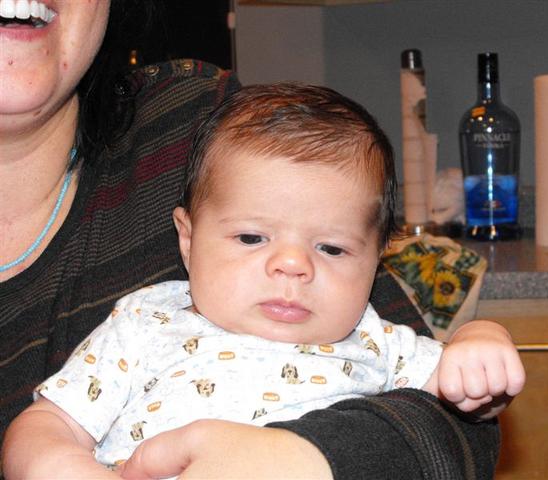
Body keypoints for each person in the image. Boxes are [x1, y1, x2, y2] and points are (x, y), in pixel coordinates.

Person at [0, 1, 519, 478]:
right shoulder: (144, 324)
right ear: (186, 239)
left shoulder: (374, 339)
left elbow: (457, 417)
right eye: (251, 237)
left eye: (331, 248)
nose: (292, 264)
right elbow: (50, 423)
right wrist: (59, 467)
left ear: (376, 259)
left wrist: (482, 339)